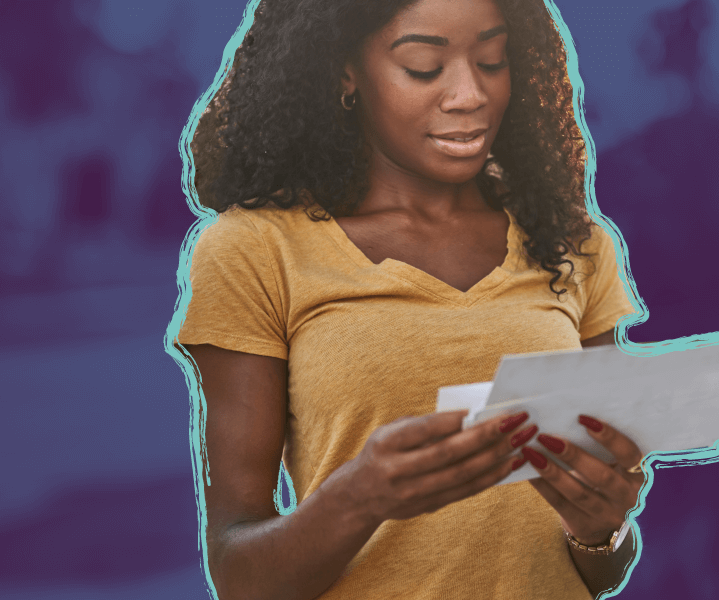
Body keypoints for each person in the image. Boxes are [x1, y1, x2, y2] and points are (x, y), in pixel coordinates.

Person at [175, 0, 646, 598]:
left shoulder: (571, 244)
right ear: (345, 71)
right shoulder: (256, 249)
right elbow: (239, 574)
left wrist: (599, 530)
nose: (470, 95)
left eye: (492, 61)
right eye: (425, 67)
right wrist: (360, 496)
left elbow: (600, 570)